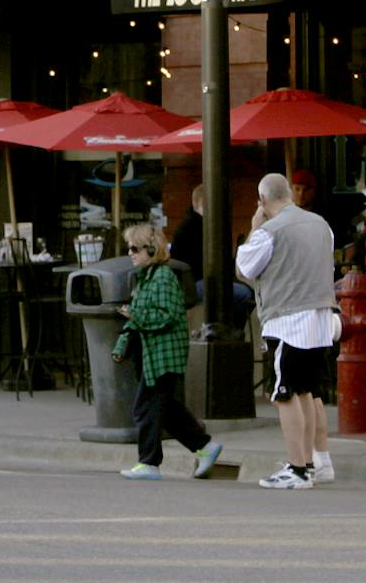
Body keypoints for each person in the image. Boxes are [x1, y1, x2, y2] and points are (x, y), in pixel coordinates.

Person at [238, 172, 338, 489]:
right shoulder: (321, 225)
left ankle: (297, 469)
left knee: (285, 394)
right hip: (320, 315)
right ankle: (312, 463)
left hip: (287, 319)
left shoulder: (270, 231)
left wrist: (255, 225)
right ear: (290, 195)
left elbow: (245, 268)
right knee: (308, 392)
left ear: (263, 201)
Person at [114, 222, 221, 481]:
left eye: (135, 249)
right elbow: (137, 319)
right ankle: (204, 446)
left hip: (163, 354)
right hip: (153, 353)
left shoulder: (162, 277)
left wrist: (135, 313)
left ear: (151, 250)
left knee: (146, 407)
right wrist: (121, 346)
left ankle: (149, 462)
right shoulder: (146, 278)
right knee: (166, 409)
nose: (130, 253)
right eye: (129, 248)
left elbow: (167, 316)